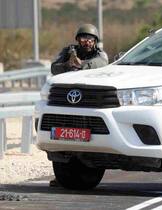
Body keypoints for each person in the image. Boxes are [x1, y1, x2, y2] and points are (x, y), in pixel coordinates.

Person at [49, 24, 108, 187]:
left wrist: (80, 65)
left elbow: (100, 63)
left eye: (90, 39)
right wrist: (68, 65)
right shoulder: (68, 51)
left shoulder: (100, 54)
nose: (86, 42)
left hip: (91, 101)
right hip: (68, 99)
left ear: (95, 41)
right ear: (78, 40)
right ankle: (62, 176)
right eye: (83, 38)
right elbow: (54, 68)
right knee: (63, 139)